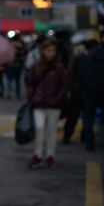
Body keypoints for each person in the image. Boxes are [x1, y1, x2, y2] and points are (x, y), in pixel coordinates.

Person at [25, 39, 69, 169]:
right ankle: (37, 155)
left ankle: (50, 155)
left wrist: (58, 98)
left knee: (51, 131)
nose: (50, 53)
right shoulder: (36, 66)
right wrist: (32, 97)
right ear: (43, 51)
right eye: (48, 50)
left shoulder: (60, 67)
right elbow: (30, 83)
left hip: (54, 105)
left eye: (53, 51)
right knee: (39, 128)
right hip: (38, 104)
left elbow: (65, 85)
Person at [77, 34, 104, 151]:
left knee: (88, 117)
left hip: (89, 93)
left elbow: (81, 75)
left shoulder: (89, 57)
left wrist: (83, 91)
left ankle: (89, 142)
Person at [62, 40, 98, 144]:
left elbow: (70, 74)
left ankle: (79, 136)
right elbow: (71, 75)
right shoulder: (81, 58)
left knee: (79, 116)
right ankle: (73, 136)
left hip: (82, 92)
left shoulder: (79, 58)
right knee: (78, 116)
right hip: (81, 93)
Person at [4, 35, 27, 100]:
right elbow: (24, 53)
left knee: (9, 80)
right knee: (17, 80)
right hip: (18, 65)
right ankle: (18, 94)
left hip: (10, 64)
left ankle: (9, 93)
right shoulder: (21, 45)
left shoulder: (9, 44)